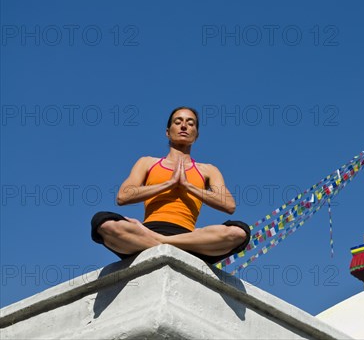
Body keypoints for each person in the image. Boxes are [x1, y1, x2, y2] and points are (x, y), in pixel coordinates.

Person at [91, 107, 250, 264]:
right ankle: (166, 244)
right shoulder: (147, 162)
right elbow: (123, 196)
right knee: (104, 223)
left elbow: (229, 205)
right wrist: (169, 184)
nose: (183, 126)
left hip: (191, 239)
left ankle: (163, 242)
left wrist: (188, 186)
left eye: (190, 123)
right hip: (145, 234)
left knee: (239, 232)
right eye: (178, 121)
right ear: (168, 132)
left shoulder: (208, 170)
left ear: (196, 135)